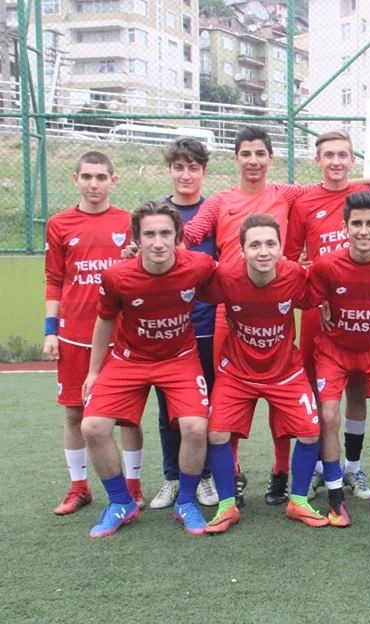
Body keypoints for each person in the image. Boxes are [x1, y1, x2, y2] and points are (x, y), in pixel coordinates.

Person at [182, 126, 310, 507]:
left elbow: (329, 189)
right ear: (236, 158)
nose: (253, 161)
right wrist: (146, 244)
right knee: (230, 400)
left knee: (282, 397)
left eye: (260, 153)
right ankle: (232, 475)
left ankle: (280, 472)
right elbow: (191, 233)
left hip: (277, 307)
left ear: (271, 158)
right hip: (231, 310)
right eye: (246, 154)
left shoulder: (285, 193)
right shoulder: (220, 201)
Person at [81, 200, 217, 537]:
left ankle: (186, 502)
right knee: (93, 427)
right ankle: (120, 502)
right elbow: (105, 320)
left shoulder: (199, 265)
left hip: (180, 358)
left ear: (178, 236)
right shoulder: (117, 276)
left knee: (196, 427)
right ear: (137, 239)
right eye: (150, 234)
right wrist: (94, 372)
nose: (158, 242)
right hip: (129, 359)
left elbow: (234, 282)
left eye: (165, 234)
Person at [201, 214, 327, 534]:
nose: (263, 251)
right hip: (237, 372)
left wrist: (329, 302)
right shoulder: (225, 276)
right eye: (254, 245)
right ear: (241, 250)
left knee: (311, 432)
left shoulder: (294, 274)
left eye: (270, 244)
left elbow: (319, 292)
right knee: (216, 434)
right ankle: (226, 507)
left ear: (281, 248)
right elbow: (191, 285)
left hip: (285, 371)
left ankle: (298, 501)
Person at [43, 151, 140, 515]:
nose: (94, 184)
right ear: (75, 179)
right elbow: (54, 279)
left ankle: (133, 487)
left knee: (127, 418)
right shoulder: (59, 224)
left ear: (113, 180)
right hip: (73, 337)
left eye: (101, 177)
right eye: (87, 177)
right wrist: (50, 331)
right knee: (74, 415)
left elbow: (140, 274)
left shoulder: (128, 222)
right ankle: (79, 487)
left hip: (120, 339)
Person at [309, 191, 370, 524]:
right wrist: (321, 305)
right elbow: (306, 293)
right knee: (328, 416)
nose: (363, 231)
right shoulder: (326, 266)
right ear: (345, 227)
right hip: (334, 351)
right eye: (356, 224)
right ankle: (336, 498)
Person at [283, 130, 370, 500]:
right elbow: (289, 260)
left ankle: (354, 467)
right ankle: (322, 466)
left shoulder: (364, 196)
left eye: (342, 154)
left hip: (361, 309)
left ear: (352, 159)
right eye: (329, 155)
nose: (336, 161)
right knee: (321, 392)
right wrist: (314, 286)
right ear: (317, 160)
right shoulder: (305, 203)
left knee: (357, 388)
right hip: (319, 312)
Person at [149, 137, 218, 510]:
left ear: (204, 172)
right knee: (168, 412)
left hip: (207, 327)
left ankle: (204, 475)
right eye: (179, 167)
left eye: (193, 167)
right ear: (170, 170)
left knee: (203, 408)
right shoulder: (156, 214)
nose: (186, 174)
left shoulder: (215, 211)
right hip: (166, 331)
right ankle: (172, 477)